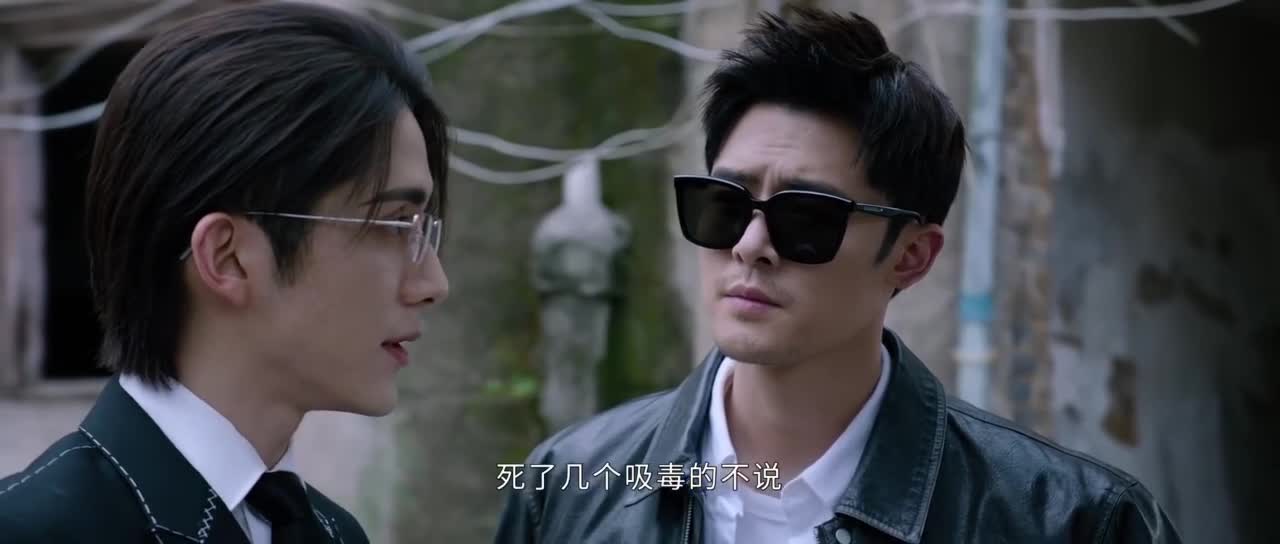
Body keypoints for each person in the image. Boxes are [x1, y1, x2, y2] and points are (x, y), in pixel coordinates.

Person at [494, 7, 1179, 544]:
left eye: (806, 219)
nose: (751, 246)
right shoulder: (566, 488)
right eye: (723, 205)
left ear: (911, 256)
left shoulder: (1074, 522)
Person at [0, 3, 449, 543]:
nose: (433, 284)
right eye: (393, 224)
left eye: (422, 229)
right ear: (227, 257)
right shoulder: (33, 531)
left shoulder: (333, 532)